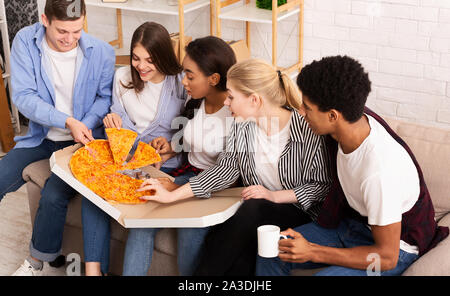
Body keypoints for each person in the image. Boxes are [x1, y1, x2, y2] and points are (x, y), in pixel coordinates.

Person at [256, 55, 449, 276]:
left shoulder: (378, 172)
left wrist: (312, 251)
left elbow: (386, 257)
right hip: (352, 224)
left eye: (307, 107)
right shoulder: (349, 121)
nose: (301, 111)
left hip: (395, 249)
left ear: (332, 116)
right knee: (271, 250)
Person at [137, 59, 333, 276]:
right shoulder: (242, 125)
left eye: (231, 96)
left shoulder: (306, 128)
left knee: (253, 208)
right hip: (256, 215)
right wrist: (170, 196)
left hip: (298, 211)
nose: (226, 103)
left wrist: (274, 196)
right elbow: (225, 170)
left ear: (254, 100)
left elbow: (320, 186)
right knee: (241, 254)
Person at [4, 0, 115, 276]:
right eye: (62, 31)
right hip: (41, 137)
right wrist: (66, 121)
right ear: (45, 20)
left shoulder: (101, 52)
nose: (70, 39)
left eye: (77, 31)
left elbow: (105, 98)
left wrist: (82, 126)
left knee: (54, 195)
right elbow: (24, 98)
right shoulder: (25, 42)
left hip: (81, 143)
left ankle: (36, 261)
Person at [122, 36, 237, 276]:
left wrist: (175, 188)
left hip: (218, 188)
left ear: (214, 79)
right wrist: (172, 146)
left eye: (190, 75)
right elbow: (197, 136)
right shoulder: (197, 102)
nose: (183, 81)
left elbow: (229, 172)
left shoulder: (237, 112)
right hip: (187, 174)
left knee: (189, 229)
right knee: (141, 223)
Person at [81, 21, 189, 276]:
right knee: (93, 195)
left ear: (163, 57)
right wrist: (113, 124)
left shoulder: (181, 81)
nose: (141, 66)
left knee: (143, 222)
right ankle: (94, 272)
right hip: (129, 163)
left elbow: (193, 129)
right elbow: (119, 127)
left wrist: (171, 149)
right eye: (136, 58)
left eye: (150, 60)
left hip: (166, 168)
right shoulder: (122, 78)